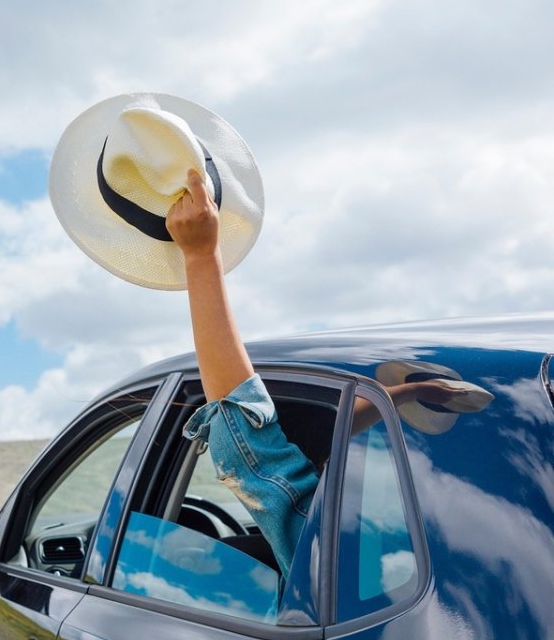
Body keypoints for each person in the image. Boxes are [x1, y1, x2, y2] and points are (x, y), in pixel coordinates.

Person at [165, 169, 467, 577]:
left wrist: (201, 258)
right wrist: (401, 394)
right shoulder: (444, 545)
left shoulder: (329, 553)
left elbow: (245, 439)